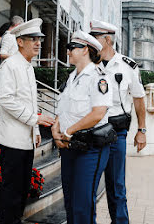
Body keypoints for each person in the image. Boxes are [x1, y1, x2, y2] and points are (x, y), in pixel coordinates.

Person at [0, 18, 55, 224]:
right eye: (33, 39)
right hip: (12, 139)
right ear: (20, 42)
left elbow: (30, 102)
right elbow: (5, 100)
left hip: (26, 139)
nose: (38, 43)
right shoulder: (10, 65)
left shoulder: (28, 67)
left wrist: (36, 131)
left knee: (22, 189)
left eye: (39, 39)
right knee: (12, 190)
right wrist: (35, 119)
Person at [52, 30, 112, 224]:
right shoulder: (72, 77)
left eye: (71, 48)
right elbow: (64, 109)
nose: (67, 52)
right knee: (70, 200)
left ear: (85, 50)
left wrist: (69, 131)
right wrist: (56, 129)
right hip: (69, 146)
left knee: (83, 203)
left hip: (90, 148)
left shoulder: (98, 77)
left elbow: (98, 113)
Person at [89, 20, 146, 224]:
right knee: (90, 185)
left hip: (116, 132)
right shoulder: (88, 64)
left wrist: (142, 130)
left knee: (116, 185)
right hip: (92, 130)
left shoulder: (127, 65)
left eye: (95, 37)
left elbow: (139, 100)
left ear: (108, 40)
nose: (91, 41)